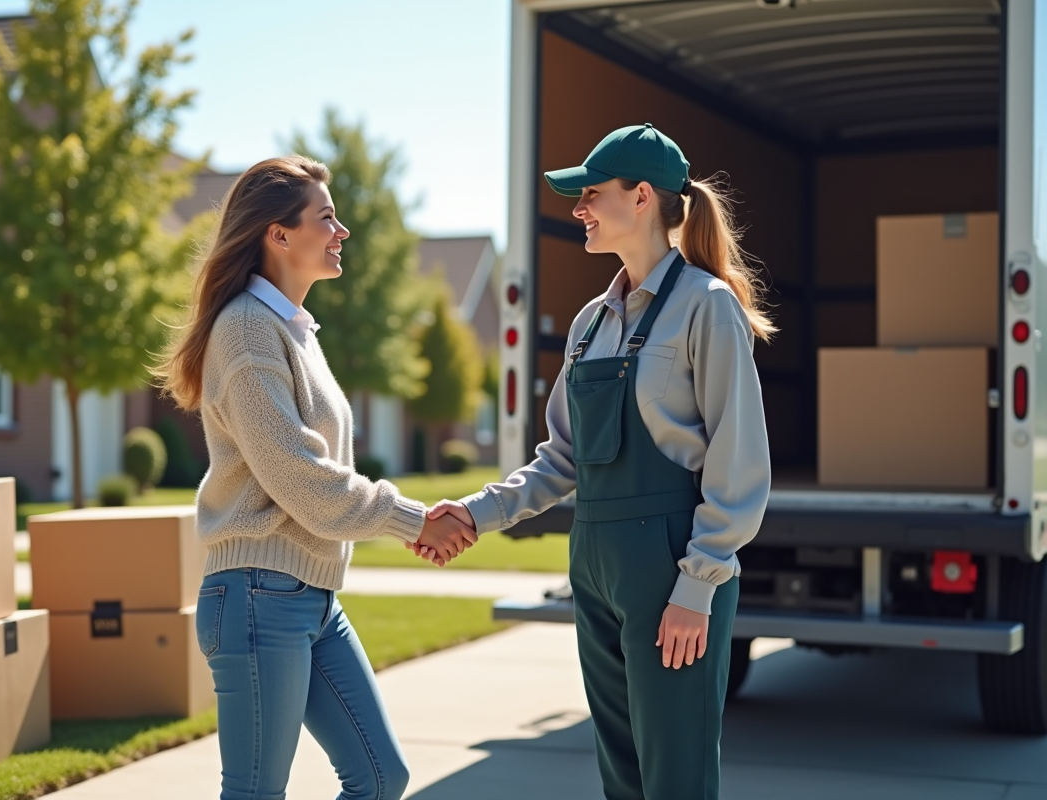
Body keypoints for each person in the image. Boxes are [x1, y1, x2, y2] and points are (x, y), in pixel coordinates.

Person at [423, 124, 773, 799]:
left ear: (642, 197)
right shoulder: (590, 322)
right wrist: (474, 512)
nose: (578, 209)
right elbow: (560, 459)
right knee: (621, 775)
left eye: (590, 193)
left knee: (677, 778)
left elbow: (739, 462)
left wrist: (697, 586)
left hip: (671, 564)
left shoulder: (708, 306)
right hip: (596, 564)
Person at [155, 155, 477, 800]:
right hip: (257, 598)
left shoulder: (293, 329)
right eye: (326, 218)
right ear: (278, 234)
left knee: (382, 777)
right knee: (255, 792)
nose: (342, 231)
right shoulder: (247, 330)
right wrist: (414, 520)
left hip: (309, 595)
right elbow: (300, 479)